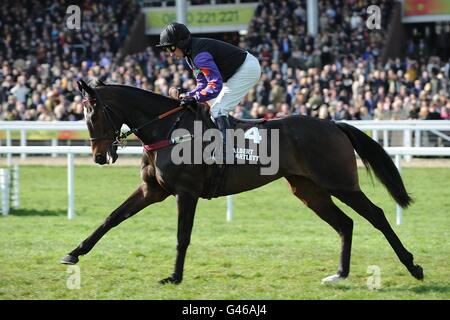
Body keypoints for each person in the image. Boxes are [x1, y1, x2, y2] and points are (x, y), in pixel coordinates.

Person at [156, 23, 262, 162]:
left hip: (247, 70)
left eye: (171, 47)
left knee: (218, 109)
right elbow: (203, 84)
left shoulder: (199, 56)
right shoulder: (190, 55)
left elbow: (214, 85)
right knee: (209, 106)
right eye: (166, 49)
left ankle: (227, 151)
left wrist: (194, 97)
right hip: (235, 72)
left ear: (181, 43)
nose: (170, 53)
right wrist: (188, 95)